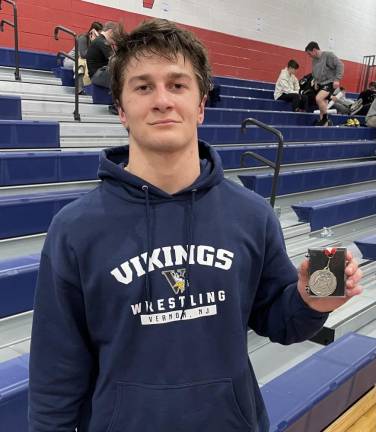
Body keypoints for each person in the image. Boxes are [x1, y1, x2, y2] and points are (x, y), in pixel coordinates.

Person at [29, 19, 363, 432]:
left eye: (178, 84)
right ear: (121, 110)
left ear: (201, 104)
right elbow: (55, 376)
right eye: (143, 86)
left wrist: (311, 304)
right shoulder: (74, 230)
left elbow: (280, 321)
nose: (162, 100)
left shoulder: (251, 214)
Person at [305, 41, 344, 126]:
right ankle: (324, 122)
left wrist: (337, 79)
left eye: (309, 53)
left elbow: (340, 65)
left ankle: (325, 118)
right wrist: (315, 81)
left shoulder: (328, 55)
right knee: (323, 102)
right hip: (321, 83)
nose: (309, 55)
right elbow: (314, 72)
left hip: (330, 82)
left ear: (314, 50)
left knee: (319, 98)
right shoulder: (314, 60)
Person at [86, 21, 118, 114]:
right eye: (115, 36)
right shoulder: (102, 42)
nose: (116, 39)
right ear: (111, 32)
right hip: (97, 75)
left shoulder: (100, 41)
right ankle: (116, 105)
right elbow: (115, 60)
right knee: (121, 73)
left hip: (98, 73)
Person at [63, 21, 103, 94]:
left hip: (81, 61)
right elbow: (83, 55)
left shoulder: (96, 41)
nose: (100, 36)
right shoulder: (83, 38)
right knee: (80, 64)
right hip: (70, 60)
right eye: (99, 33)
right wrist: (94, 43)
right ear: (93, 31)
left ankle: (92, 90)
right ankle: (79, 89)